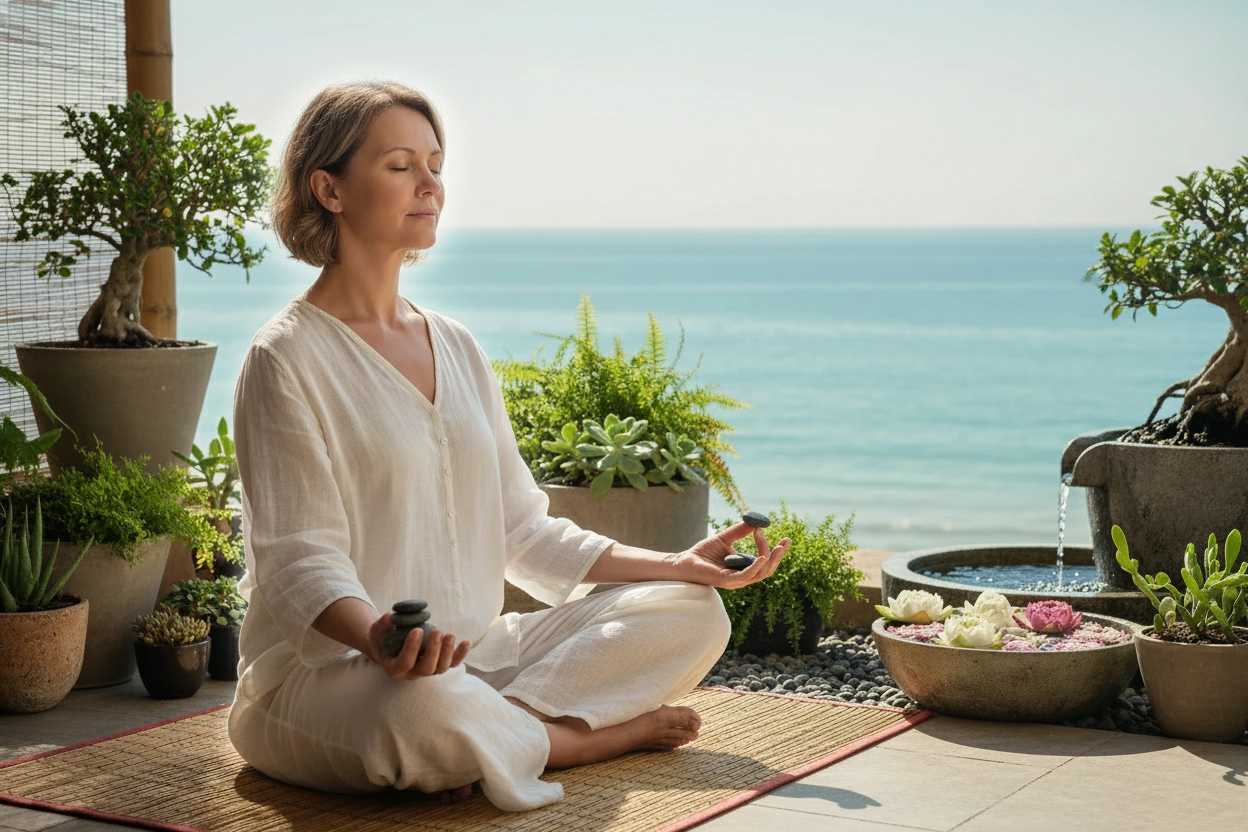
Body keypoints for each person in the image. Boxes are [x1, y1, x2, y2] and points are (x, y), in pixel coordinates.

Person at [226, 81, 791, 812]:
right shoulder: (285, 359)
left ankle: (499, 731)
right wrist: (378, 639)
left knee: (690, 610)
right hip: (329, 682)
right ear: (328, 188)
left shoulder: (454, 345)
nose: (430, 185)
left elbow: (523, 528)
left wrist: (675, 563)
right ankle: (577, 740)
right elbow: (299, 559)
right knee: (418, 710)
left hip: (477, 659)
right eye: (401, 166)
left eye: (436, 164)